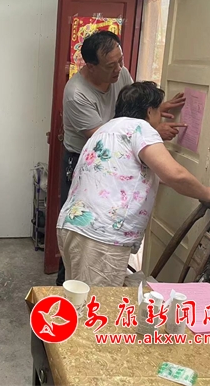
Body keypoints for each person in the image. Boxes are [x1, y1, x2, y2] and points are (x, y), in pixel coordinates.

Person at [57, 81, 210, 286]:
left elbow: (133, 172)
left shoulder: (106, 129)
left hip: (72, 225)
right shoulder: (141, 128)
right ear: (149, 111)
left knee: (80, 293)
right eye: (159, 111)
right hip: (101, 235)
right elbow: (175, 175)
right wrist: (207, 193)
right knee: (99, 301)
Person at [55, 30, 186, 285]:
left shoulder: (120, 73)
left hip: (119, 154)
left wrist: (154, 108)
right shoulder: (76, 93)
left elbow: (130, 107)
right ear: (90, 66)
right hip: (86, 157)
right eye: (110, 66)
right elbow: (106, 136)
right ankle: (68, 286)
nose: (119, 69)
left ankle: (83, 285)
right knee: (83, 231)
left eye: (121, 61)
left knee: (92, 246)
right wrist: (151, 129)